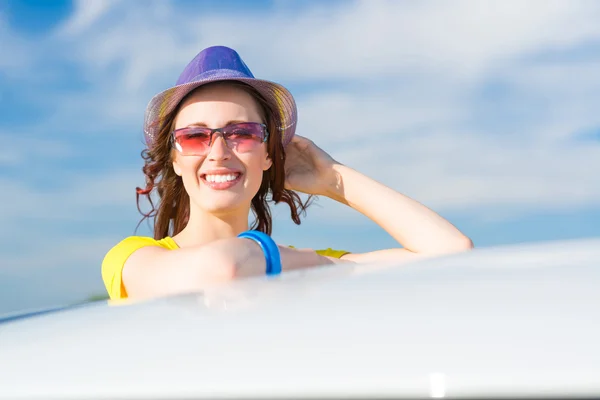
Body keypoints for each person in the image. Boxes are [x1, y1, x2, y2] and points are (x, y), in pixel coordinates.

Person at [101, 46, 473, 301]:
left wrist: (334, 179)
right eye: (195, 136)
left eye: (241, 134)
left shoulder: (294, 261)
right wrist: (317, 266)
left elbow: (451, 253)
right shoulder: (131, 258)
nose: (218, 152)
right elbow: (221, 269)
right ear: (176, 160)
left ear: (267, 155)